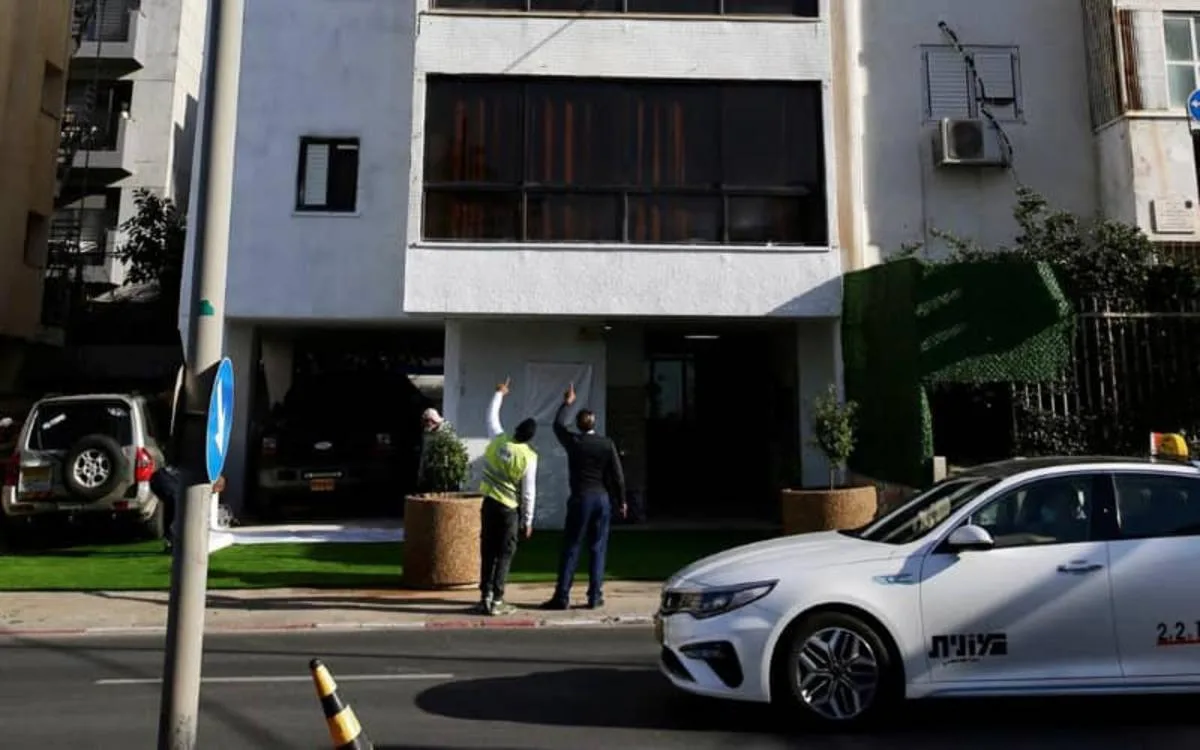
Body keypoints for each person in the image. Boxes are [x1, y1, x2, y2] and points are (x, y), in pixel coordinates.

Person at [542, 382, 627, 611]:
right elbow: (617, 475)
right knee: (598, 548)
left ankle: (562, 595)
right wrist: (622, 500)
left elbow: (558, 425)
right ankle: (594, 595)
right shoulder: (606, 444)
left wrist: (566, 403)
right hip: (601, 497)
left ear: (579, 425)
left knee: (572, 546)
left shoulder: (575, 442)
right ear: (593, 423)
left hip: (581, 497)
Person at [472, 377, 539, 616]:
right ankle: (498, 600)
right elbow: (529, 492)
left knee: (487, 551)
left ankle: (485, 596)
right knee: (504, 554)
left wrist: (500, 393)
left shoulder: (499, 439)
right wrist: (528, 520)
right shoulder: (529, 457)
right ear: (530, 437)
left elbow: (491, 417)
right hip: (509, 509)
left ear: (516, 430)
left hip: (489, 502)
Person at [416, 407, 453, 491]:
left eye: (427, 421)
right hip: (430, 468)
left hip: (442, 468)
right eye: (424, 421)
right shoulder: (427, 433)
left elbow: (447, 452)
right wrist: (421, 472)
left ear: (432, 420)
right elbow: (424, 453)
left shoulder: (445, 431)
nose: (426, 424)